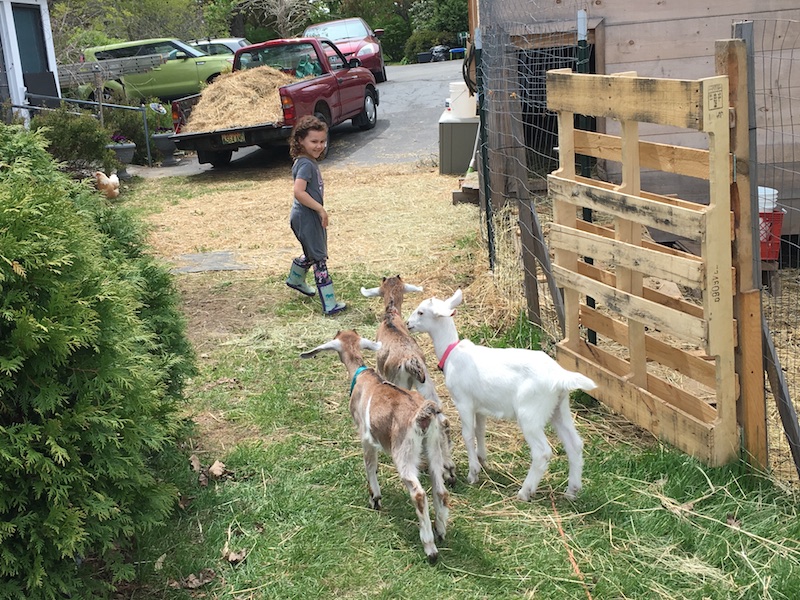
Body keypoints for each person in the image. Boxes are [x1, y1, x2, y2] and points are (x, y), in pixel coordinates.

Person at [284, 115, 346, 315]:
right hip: (307, 217)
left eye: (322, 141)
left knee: (313, 253)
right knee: (320, 258)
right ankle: (330, 304)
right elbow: (298, 191)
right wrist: (320, 209)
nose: (319, 146)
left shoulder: (306, 161)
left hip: (305, 216)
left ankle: (295, 279)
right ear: (300, 141)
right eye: (314, 142)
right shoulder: (305, 164)